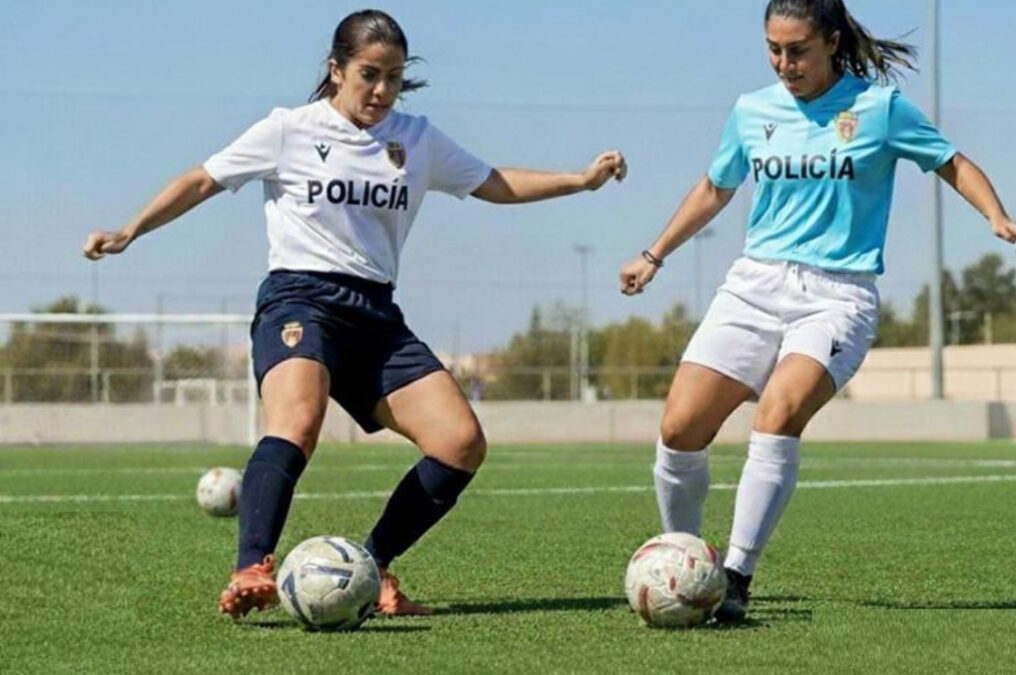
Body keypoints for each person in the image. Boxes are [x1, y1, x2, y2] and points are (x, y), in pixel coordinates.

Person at [83, 9, 626, 619]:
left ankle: (370, 567)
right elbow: (203, 180)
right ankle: (251, 567)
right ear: (336, 69)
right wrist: (132, 229)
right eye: (369, 74)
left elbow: (493, 182)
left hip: (375, 314)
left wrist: (579, 181)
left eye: (394, 77)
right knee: (298, 421)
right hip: (300, 298)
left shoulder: (416, 139)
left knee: (460, 442)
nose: (381, 91)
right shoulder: (288, 129)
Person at [619, 0, 1016, 623]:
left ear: (832, 43)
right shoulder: (752, 110)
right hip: (753, 286)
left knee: (778, 412)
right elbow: (714, 188)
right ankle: (686, 561)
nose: (784, 63)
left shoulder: (879, 109)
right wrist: (654, 254)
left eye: (798, 50)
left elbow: (951, 160)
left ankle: (734, 575)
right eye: (773, 49)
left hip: (838, 295)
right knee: (680, 429)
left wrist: (996, 215)